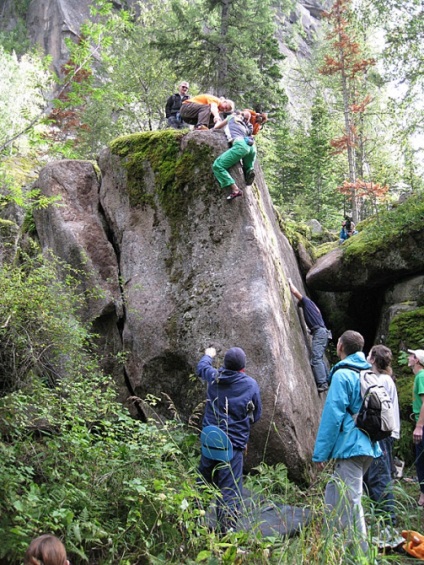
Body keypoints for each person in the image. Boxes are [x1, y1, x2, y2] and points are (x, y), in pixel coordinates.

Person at [313, 330, 381, 556]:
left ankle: (361, 556)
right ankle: (329, 543)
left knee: (351, 502)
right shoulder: (369, 374)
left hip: (351, 446)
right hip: (368, 444)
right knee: (334, 492)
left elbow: (332, 416)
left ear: (340, 346)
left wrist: (320, 454)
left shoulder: (343, 375)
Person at [196, 346, 262, 533]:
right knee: (230, 490)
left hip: (210, 440)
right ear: (243, 367)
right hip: (232, 447)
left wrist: (208, 355)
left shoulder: (215, 377)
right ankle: (227, 533)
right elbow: (256, 415)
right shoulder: (250, 385)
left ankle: (190, 521)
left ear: (224, 364)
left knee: (202, 483)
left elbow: (201, 367)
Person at [363, 345, 400, 527]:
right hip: (387, 432)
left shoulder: (381, 380)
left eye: (368, 355)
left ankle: (387, 521)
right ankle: (381, 518)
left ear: (373, 360)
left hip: (382, 433)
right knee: (376, 475)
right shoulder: (386, 379)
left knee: (379, 476)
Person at [288, 279, 330, 392]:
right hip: (322, 333)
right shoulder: (313, 307)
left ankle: (322, 383)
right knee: (319, 357)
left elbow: (296, 292)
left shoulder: (306, 301)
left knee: (316, 358)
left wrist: (290, 282)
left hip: (320, 333)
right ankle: (327, 379)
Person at [212, 110, 256, 201]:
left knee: (218, 165)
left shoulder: (231, 117)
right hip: (251, 146)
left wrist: (217, 121)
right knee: (248, 165)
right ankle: (249, 171)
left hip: (240, 144)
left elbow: (216, 128)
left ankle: (235, 189)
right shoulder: (244, 124)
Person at [408, 348, 424, 507]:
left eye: (412, 356)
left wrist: (419, 426)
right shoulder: (420, 376)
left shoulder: (421, 376)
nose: (408, 357)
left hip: (423, 424)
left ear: (417, 360)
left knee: (421, 460)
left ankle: (423, 495)